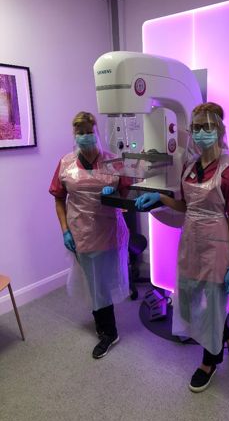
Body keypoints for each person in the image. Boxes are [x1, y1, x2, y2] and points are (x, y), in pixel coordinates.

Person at [135, 102, 229, 392]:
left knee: (212, 307)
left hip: (217, 245)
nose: (201, 133)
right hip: (190, 242)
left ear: (220, 129)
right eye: (196, 127)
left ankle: (209, 362)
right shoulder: (189, 166)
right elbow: (186, 206)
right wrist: (160, 199)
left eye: (207, 127)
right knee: (189, 299)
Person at [49, 111, 131, 359]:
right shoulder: (65, 163)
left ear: (97, 132)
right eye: (80, 132)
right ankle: (104, 328)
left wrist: (113, 194)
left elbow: (127, 197)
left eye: (88, 131)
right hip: (79, 234)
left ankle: (109, 332)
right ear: (74, 135)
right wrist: (64, 231)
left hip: (107, 232)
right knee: (91, 282)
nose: (85, 136)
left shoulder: (113, 162)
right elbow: (59, 200)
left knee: (102, 283)